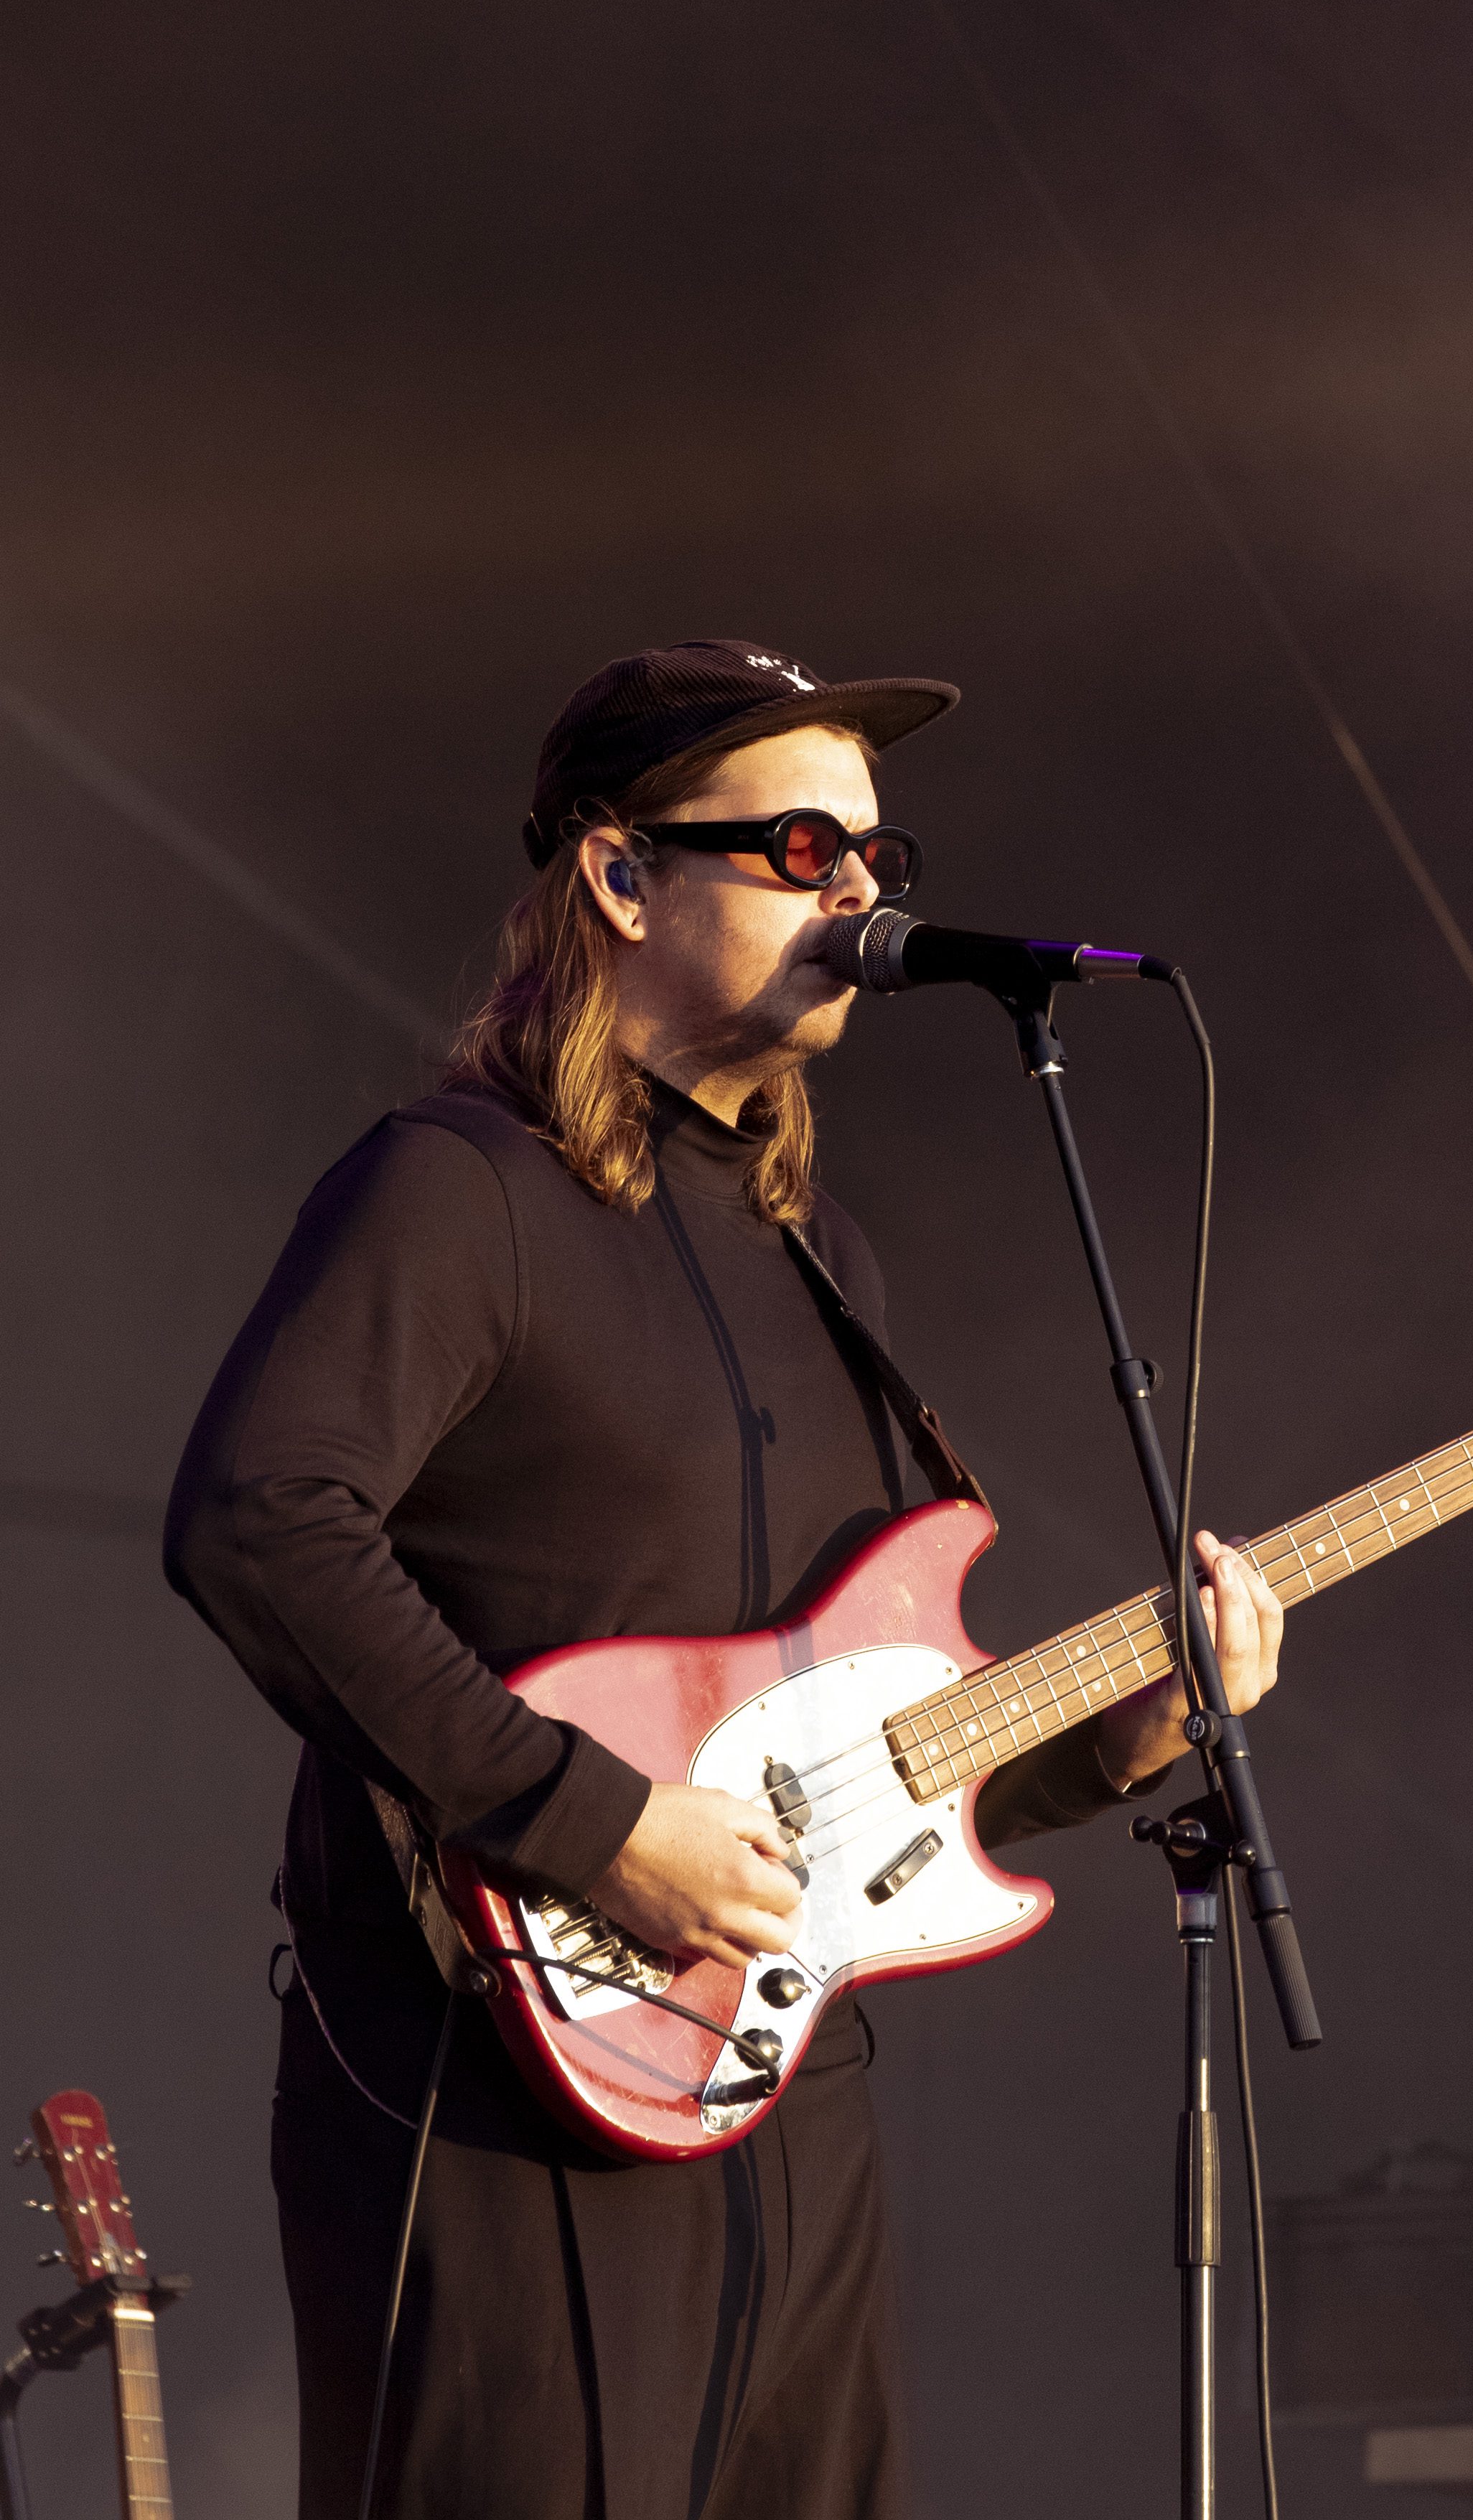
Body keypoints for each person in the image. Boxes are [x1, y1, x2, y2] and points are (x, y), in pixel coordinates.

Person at [164, 639, 1283, 2520]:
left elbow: (846, 1766)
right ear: (620, 876)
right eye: (798, 846)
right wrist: (593, 1823)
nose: (859, 890)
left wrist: (1116, 1745)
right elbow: (259, 1516)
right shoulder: (460, 1188)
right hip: (494, 2074)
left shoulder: (820, 1250)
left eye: (875, 850)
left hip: (781, 2089)